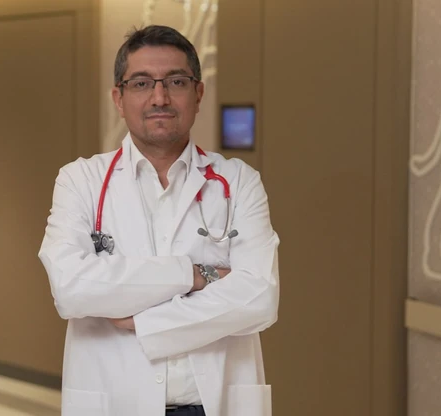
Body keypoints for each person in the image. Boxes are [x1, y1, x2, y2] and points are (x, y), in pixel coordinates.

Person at [39, 25, 280, 416]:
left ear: (198, 93)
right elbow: (71, 289)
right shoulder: (81, 180)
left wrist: (144, 321)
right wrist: (195, 275)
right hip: (116, 403)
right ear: (118, 98)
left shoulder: (238, 181)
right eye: (141, 83)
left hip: (213, 404)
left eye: (176, 81)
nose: (159, 97)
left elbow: (259, 298)